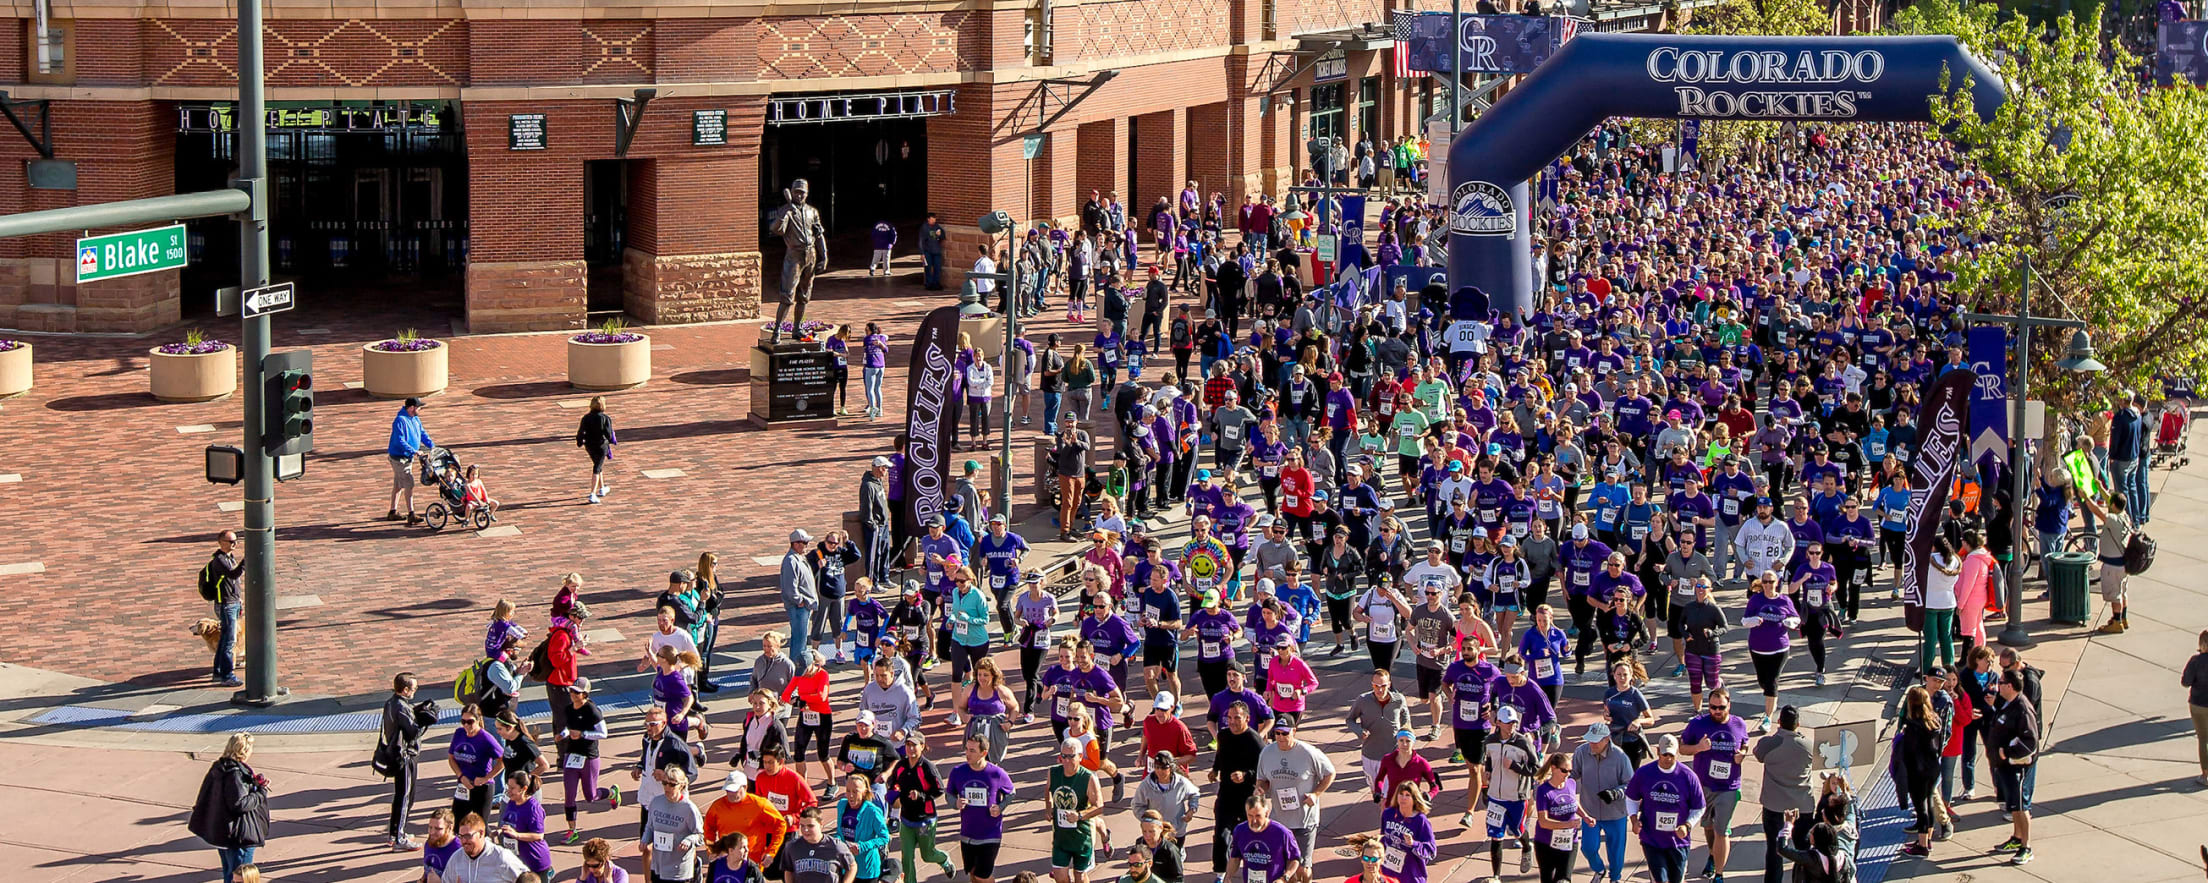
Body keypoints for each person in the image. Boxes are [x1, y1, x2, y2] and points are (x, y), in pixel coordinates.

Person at [1679, 688, 1749, 883]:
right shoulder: (1698, 724)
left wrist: (1742, 753)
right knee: (1708, 826)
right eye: (1713, 707)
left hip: (1729, 786)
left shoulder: (1739, 724)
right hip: (1704, 785)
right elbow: (1682, 748)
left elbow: (1745, 743)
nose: (1717, 711)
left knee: (1722, 830)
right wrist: (1698, 748)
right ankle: (1712, 855)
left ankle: (1719, 874)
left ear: (1729, 705)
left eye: (1721, 707)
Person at [1259, 723, 1336, 882]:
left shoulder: (1308, 752)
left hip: (1304, 819)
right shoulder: (1267, 752)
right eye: (1277, 733)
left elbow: (1330, 773)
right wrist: (1260, 789)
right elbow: (1262, 779)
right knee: (1287, 867)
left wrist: (1315, 794)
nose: (1280, 737)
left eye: (1285, 733)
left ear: (1294, 731)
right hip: (1280, 820)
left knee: (1302, 867)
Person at [189, 733, 270, 883]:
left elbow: (204, 795)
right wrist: (260, 792)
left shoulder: (219, 767)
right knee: (242, 875)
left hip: (222, 831)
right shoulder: (236, 775)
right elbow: (240, 804)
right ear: (244, 750)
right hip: (239, 834)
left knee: (230, 873)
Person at [1626, 735, 1705, 883]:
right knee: (1659, 879)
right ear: (1657, 752)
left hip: (1678, 842)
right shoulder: (1644, 773)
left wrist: (1687, 825)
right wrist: (1634, 819)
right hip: (1652, 839)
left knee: (1676, 879)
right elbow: (1631, 798)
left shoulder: (1688, 776)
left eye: (1671, 755)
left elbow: (1699, 807)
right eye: (1664, 754)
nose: (1668, 758)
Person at [1984, 670, 2041, 866]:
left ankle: (2026, 847)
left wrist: (2007, 752)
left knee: (2021, 806)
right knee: (2014, 806)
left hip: (2018, 767)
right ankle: (2016, 838)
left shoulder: (2022, 709)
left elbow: (2030, 741)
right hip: (2005, 766)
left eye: (2001, 682)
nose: (1997, 685)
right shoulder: (2008, 704)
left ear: (2010, 686)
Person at [1751, 706, 1812, 883]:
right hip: (1803, 806)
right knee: (1804, 849)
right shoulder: (1808, 745)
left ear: (1779, 722)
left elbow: (1758, 754)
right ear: (1798, 724)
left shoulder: (1768, 744)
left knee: (1774, 848)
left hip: (1774, 806)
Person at [887, 733, 959, 883]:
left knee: (927, 855)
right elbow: (893, 783)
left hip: (925, 820)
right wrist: (895, 795)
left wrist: (921, 796)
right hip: (906, 819)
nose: (911, 748)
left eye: (915, 745)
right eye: (908, 745)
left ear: (922, 746)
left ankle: (944, 859)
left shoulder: (927, 767)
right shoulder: (901, 766)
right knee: (907, 858)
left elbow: (939, 789)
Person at [948, 733, 1018, 883]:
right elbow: (949, 794)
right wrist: (956, 803)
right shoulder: (958, 772)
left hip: (990, 834)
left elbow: (1011, 792)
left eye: (972, 750)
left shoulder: (996, 773)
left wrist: (1000, 807)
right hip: (968, 833)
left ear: (984, 753)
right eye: (966, 749)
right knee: (973, 872)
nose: (967, 754)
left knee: (982, 875)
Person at [380, 671, 438, 849]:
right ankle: (398, 838)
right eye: (414, 688)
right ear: (405, 690)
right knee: (405, 797)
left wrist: (417, 710)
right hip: (405, 756)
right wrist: (425, 719)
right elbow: (413, 732)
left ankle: (396, 832)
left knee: (401, 796)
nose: (415, 691)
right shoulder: (402, 707)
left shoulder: (391, 703)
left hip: (397, 754)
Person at [1570, 723, 1633, 883]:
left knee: (1616, 851)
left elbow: (1630, 784)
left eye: (1596, 741)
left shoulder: (1620, 757)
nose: (1592, 744)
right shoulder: (1581, 752)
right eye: (1590, 740)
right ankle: (1599, 869)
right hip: (1590, 811)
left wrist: (1615, 793)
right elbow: (1573, 774)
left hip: (1615, 813)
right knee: (1588, 847)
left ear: (1607, 739)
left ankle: (1615, 878)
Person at [703, 770, 787, 878]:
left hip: (752, 863)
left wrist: (771, 852)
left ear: (745, 787)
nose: (730, 794)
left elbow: (780, 825)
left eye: (734, 790)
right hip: (726, 862)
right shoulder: (717, 807)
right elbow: (708, 830)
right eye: (728, 790)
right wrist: (711, 851)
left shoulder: (760, 804)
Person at [1894, 686, 1945, 859]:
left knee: (1920, 807)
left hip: (1918, 771)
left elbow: (1908, 754)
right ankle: (1927, 839)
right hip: (1933, 768)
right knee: (1929, 802)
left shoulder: (1912, 727)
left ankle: (1922, 846)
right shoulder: (1935, 721)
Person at [1049, 738, 1106, 883]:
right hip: (1061, 836)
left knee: (1080, 876)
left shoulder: (1087, 778)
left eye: (1071, 756)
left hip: (1081, 837)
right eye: (1064, 756)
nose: (1067, 761)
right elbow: (1047, 790)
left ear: (1080, 756)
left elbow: (1099, 806)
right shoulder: (1053, 772)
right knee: (1059, 874)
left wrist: (1079, 816)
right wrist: (1048, 807)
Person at [2081, 492, 2134, 634]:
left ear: (2114, 505)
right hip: (2123, 565)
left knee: (2114, 593)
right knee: (2122, 591)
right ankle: (2122, 618)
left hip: (2112, 566)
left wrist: (2085, 497)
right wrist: (2101, 489)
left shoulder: (2112, 520)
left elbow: (2096, 511)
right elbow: (2111, 502)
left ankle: (2116, 623)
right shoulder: (2125, 517)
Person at [1530, 753, 1588, 883]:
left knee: (1564, 879)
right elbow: (1543, 822)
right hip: (1546, 843)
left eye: (1570, 771)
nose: (1567, 774)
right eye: (1564, 771)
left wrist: (1585, 816)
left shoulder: (1571, 783)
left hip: (1569, 842)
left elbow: (1573, 802)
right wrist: (1568, 824)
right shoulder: (1544, 791)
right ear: (1553, 768)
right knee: (1547, 879)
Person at [646, 768, 710, 883]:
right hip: (658, 866)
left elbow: (700, 835)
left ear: (681, 786)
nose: (667, 787)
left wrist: (688, 840)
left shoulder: (689, 808)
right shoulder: (656, 802)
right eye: (664, 783)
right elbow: (650, 826)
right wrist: (645, 840)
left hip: (679, 870)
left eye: (672, 784)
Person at [1224, 793, 1304, 883]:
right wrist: (1228, 876)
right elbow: (1235, 857)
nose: (1254, 821)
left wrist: (1284, 878)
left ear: (1267, 813)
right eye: (1250, 815)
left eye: (1258, 816)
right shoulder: (1240, 830)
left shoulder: (1282, 833)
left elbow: (1295, 859)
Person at [448, 705, 507, 824]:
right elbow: (451, 758)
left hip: (482, 787)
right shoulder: (459, 733)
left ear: (478, 719)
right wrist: (461, 776)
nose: (466, 725)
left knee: (480, 825)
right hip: (463, 784)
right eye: (463, 721)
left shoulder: (486, 738)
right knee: (457, 823)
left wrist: (486, 778)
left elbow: (503, 760)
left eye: (470, 722)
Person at [203, 530, 245, 687]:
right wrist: (245, 562)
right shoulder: (219, 560)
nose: (234, 544)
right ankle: (227, 675)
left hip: (232, 603)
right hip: (226, 605)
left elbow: (232, 583)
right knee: (229, 641)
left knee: (225, 640)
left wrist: (238, 600)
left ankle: (218, 672)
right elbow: (233, 575)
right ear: (221, 542)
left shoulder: (229, 558)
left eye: (235, 541)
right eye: (231, 541)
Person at [1377, 781, 1439, 883]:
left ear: (1414, 799)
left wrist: (1413, 843)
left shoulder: (1420, 820)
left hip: (1410, 875)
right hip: (1387, 871)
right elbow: (1383, 836)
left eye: (1407, 795)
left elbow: (1431, 851)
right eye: (1400, 794)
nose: (1403, 798)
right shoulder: (1388, 814)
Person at [444, 810, 529, 883]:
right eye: (461, 836)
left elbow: (528, 879)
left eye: (468, 836)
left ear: (481, 833)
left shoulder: (500, 857)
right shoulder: (456, 858)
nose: (463, 841)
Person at [497, 771, 555, 879]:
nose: (508, 791)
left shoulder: (533, 808)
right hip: (517, 861)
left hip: (534, 861)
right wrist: (499, 831)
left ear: (523, 789)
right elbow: (507, 823)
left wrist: (516, 835)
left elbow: (539, 836)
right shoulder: (512, 802)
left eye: (512, 788)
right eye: (508, 787)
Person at [387, 396, 434, 523]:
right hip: (399, 458)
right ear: (412, 408)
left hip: (407, 457)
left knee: (398, 484)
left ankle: (392, 511)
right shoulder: (399, 420)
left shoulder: (415, 419)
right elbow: (400, 440)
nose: (420, 409)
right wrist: (414, 451)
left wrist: (432, 446)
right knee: (409, 483)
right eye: (419, 407)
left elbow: (422, 433)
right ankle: (411, 514)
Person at [782, 807, 858, 883]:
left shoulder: (836, 846)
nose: (805, 830)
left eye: (810, 826)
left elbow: (852, 866)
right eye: (802, 826)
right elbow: (788, 871)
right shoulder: (792, 847)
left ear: (821, 824)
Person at [783, 530, 822, 656]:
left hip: (804, 606)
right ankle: (797, 668)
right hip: (798, 607)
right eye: (804, 542)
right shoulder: (791, 561)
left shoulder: (799, 558)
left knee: (801, 638)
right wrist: (800, 601)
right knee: (799, 640)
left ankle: (798, 665)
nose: (806, 545)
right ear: (796, 544)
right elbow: (790, 587)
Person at [575, 395, 616, 503]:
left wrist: (579, 442)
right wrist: (611, 439)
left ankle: (602, 488)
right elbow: (608, 434)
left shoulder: (586, 418)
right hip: (601, 445)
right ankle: (592, 493)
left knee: (597, 464)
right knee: (597, 468)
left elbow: (581, 432)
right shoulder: (605, 418)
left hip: (589, 445)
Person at [2184, 629, 2208, 788]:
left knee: (2203, 739)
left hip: (2199, 703)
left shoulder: (2195, 661)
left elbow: (2185, 682)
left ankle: (2205, 774)